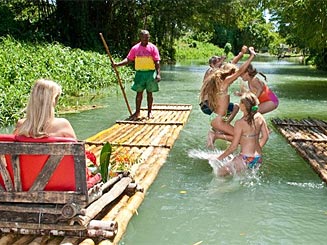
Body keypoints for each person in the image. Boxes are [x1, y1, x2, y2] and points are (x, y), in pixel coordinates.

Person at [202, 47, 257, 148]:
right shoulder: (224, 82)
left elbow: (232, 64)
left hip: (218, 119)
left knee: (241, 138)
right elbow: (240, 71)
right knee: (243, 139)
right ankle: (215, 135)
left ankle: (216, 135)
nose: (234, 79)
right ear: (229, 74)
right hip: (218, 120)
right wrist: (251, 56)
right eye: (233, 76)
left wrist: (241, 54)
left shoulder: (220, 82)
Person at [216, 92, 269, 176]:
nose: (239, 104)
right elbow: (265, 137)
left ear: (244, 106)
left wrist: (219, 158)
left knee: (220, 173)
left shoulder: (240, 123)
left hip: (245, 158)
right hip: (257, 158)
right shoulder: (260, 117)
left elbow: (233, 147)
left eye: (241, 102)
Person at [113, 29, 161, 120]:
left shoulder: (153, 47)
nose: (145, 39)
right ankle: (137, 112)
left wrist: (158, 74)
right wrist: (118, 64)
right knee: (139, 93)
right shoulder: (135, 48)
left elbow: (157, 61)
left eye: (147, 38)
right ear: (140, 38)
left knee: (149, 93)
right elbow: (129, 59)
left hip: (150, 73)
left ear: (149, 37)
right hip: (140, 73)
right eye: (144, 38)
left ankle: (149, 112)